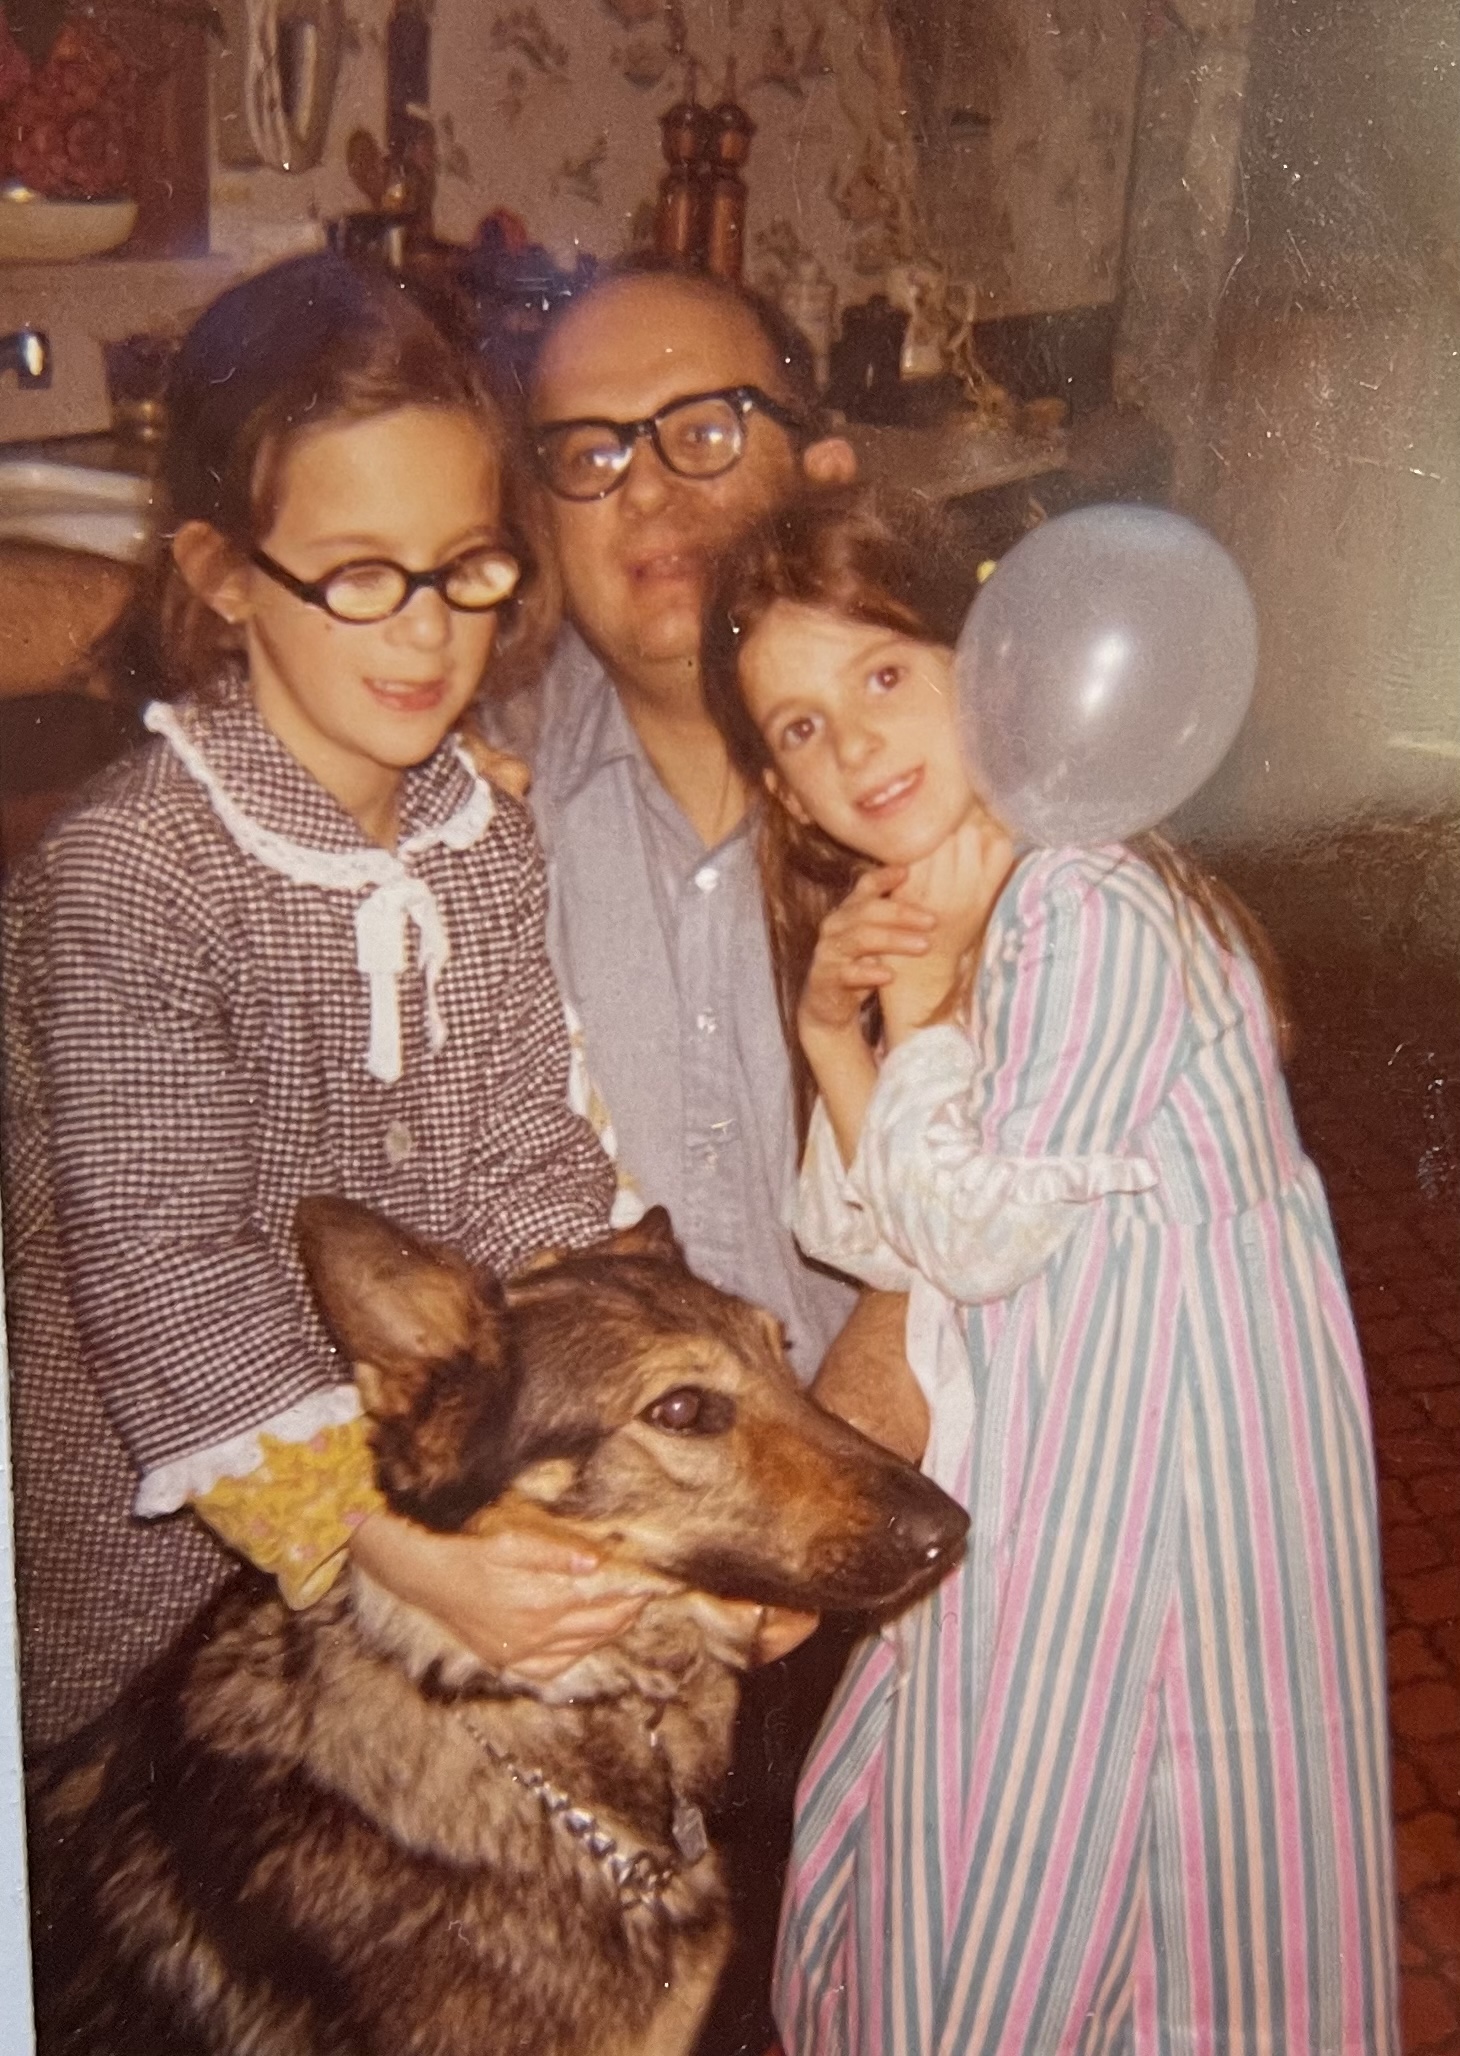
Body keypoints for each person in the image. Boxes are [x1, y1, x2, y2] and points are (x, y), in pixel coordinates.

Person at [702, 486, 1399, 2054]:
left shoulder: (1083, 900)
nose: (854, 745)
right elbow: (891, 1238)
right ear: (784, 790)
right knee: (1045, 1822)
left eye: (884, 674)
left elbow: (974, 1235)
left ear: (997, 658)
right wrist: (837, 1032)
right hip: (1067, 1439)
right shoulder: (990, 896)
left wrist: (916, 1021)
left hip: (1154, 1478)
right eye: (802, 728)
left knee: (1081, 1839)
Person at [3, 253, 656, 1754]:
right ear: (224, 575)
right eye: (360, 576)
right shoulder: (138, 870)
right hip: (162, 1589)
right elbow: (167, 1276)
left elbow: (528, 1164)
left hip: (422, 1518)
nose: (425, 634)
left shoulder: (480, 839)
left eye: (466, 567)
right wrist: (401, 1549)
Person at [488, 260, 874, 1385]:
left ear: (823, 474)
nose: (647, 491)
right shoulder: (472, 801)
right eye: (589, 456)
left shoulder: (945, 775)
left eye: (703, 431)